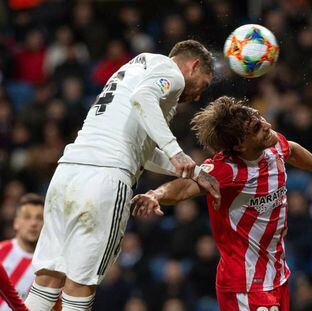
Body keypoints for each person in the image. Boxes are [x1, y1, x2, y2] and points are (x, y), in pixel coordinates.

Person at [25, 40, 220, 311]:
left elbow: (144, 151)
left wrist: (194, 171)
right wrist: (176, 151)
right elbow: (144, 99)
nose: (198, 96)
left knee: (48, 277)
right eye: (204, 84)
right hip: (105, 178)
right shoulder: (172, 73)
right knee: (81, 281)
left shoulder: (137, 68)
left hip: (68, 171)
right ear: (194, 65)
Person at [132, 96, 312, 311]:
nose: (267, 126)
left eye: (260, 118)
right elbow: (185, 186)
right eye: (257, 128)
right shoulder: (226, 171)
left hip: (276, 275)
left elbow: (293, 150)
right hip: (245, 284)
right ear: (240, 145)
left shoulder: (271, 145)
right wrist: (157, 193)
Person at [0, 193, 44, 311]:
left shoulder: (52, 266)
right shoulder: (1, 252)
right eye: (27, 217)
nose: (33, 223)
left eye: (39, 218)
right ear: (16, 222)